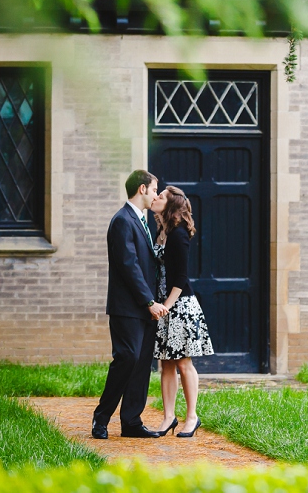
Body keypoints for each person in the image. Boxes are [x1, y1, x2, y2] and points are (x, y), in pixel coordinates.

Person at [91, 170, 169, 439]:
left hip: (146, 309)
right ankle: (101, 418)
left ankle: (131, 422)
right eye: (155, 189)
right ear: (142, 189)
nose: (157, 194)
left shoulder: (143, 221)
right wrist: (149, 301)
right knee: (127, 359)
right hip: (127, 307)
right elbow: (128, 266)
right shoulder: (122, 220)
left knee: (141, 363)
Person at [151, 185, 213, 438]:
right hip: (164, 306)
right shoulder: (161, 231)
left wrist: (167, 305)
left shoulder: (179, 234)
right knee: (165, 364)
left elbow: (181, 277)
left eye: (162, 196)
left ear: (172, 204)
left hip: (180, 305)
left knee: (183, 363)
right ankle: (168, 417)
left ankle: (192, 417)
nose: (156, 198)